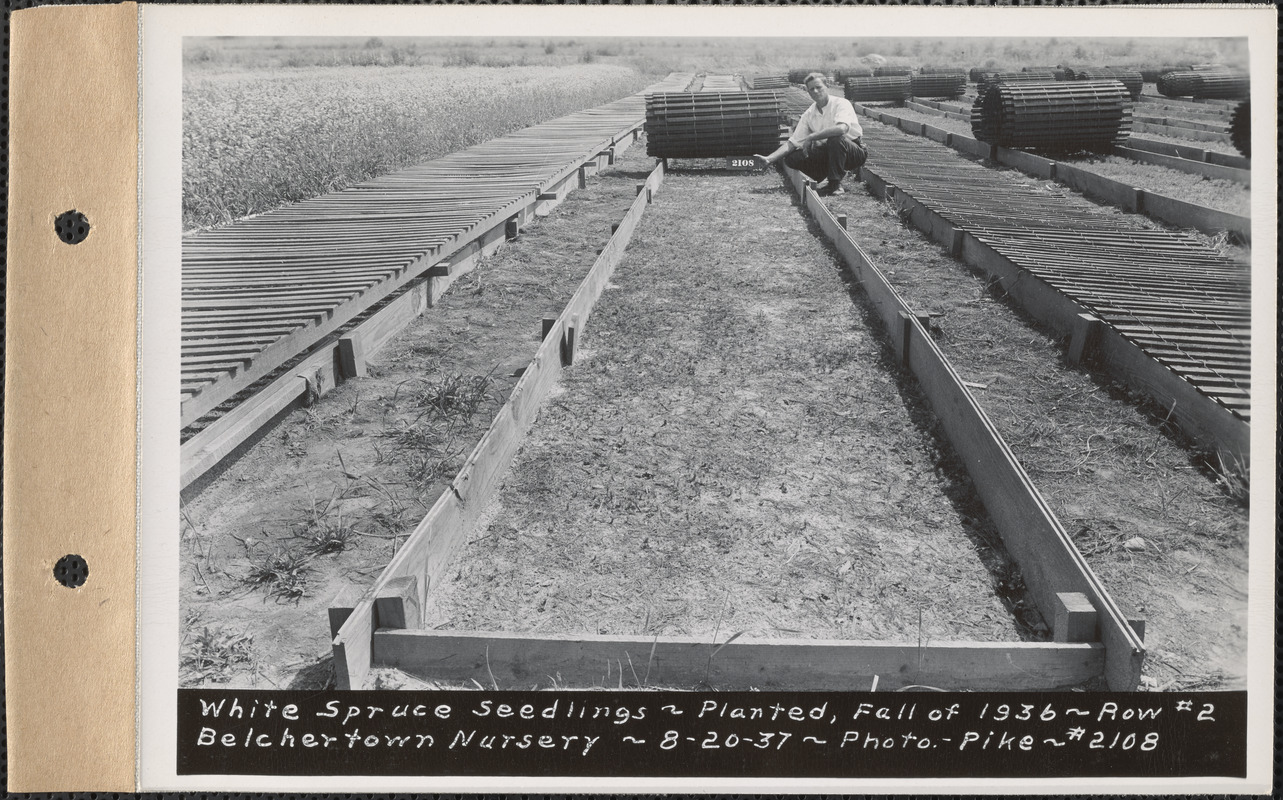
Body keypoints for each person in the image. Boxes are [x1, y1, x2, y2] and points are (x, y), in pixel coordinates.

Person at [754, 72, 867, 196]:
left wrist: (813, 136)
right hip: (830, 151)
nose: (816, 91)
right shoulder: (809, 113)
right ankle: (819, 175)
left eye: (819, 87)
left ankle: (835, 185)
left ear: (827, 86)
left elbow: (841, 129)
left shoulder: (841, 103)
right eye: (811, 89)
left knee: (836, 139)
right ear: (808, 92)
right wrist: (769, 159)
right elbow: (792, 142)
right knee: (792, 158)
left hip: (853, 152)